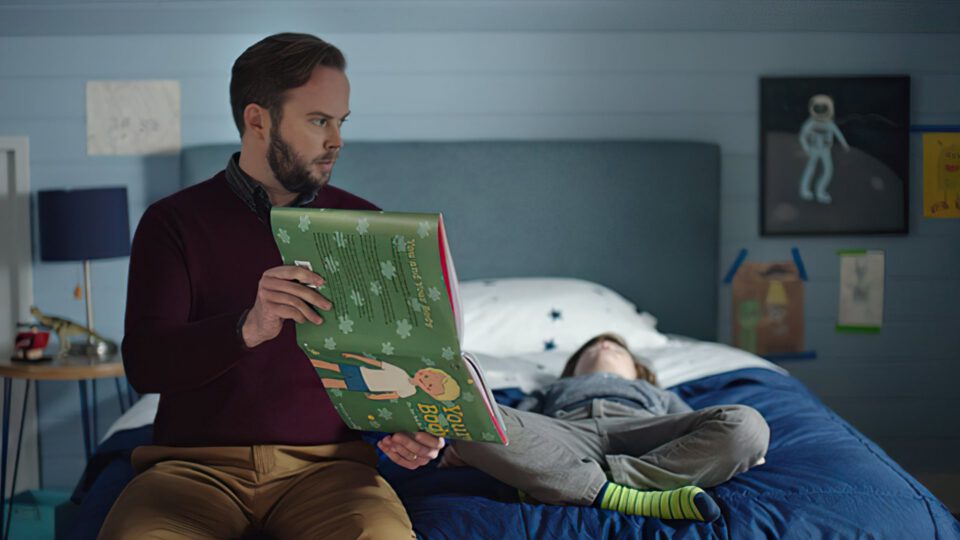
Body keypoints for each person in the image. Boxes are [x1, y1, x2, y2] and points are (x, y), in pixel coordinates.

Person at [99, 33, 444, 539]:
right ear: (257, 119)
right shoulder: (171, 222)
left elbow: (393, 368)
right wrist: (246, 327)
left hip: (329, 471)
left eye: (340, 122)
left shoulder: (365, 225)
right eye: (318, 120)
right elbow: (145, 366)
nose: (337, 140)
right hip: (192, 472)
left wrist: (412, 427)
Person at [441, 333, 770, 522]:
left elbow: (695, 428)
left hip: (644, 431)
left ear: (639, 370)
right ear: (572, 369)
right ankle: (634, 495)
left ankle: (570, 483)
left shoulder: (658, 393)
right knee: (472, 418)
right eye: (593, 347)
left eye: (616, 347)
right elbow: (516, 421)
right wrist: (473, 444)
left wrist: (732, 449)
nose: (604, 347)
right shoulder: (551, 389)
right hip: (566, 432)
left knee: (747, 426)